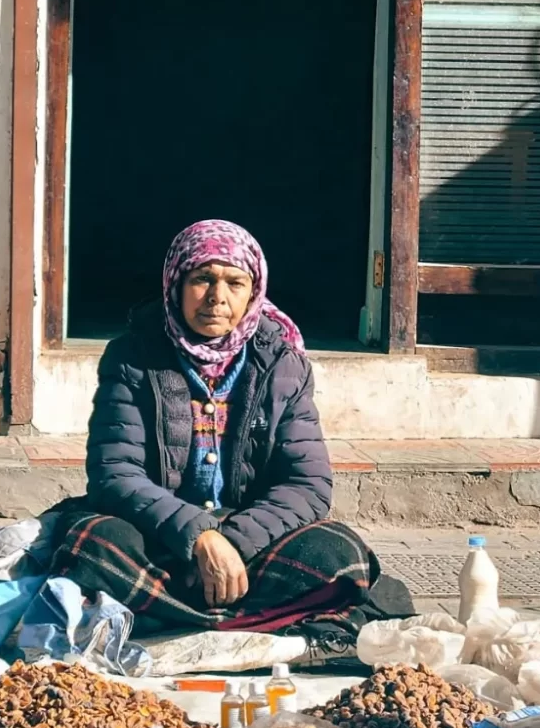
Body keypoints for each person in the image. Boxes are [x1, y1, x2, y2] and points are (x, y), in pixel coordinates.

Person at [48, 220, 412, 642]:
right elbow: (115, 474)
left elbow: (308, 484)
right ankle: (252, 621)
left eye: (235, 283)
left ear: (254, 292)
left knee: (338, 554)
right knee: (93, 542)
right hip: (160, 537)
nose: (217, 298)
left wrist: (234, 543)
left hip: (251, 541)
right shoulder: (133, 357)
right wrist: (200, 535)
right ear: (176, 284)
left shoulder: (282, 364)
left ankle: (163, 614)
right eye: (202, 279)